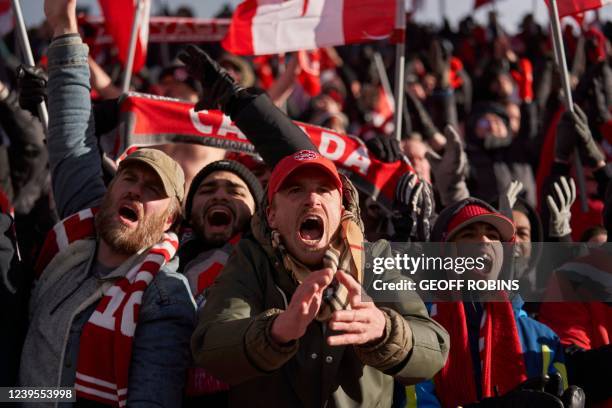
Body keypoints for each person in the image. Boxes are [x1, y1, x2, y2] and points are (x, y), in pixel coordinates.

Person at [180, 45, 450, 407]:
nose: (312, 200)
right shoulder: (252, 259)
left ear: (342, 209)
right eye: (295, 190)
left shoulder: (374, 259)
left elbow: (434, 349)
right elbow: (212, 346)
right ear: (271, 214)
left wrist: (386, 331)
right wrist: (275, 332)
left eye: (325, 190)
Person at [18, 1, 195, 406]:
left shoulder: (165, 294)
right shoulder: (81, 233)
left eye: (153, 190)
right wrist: (64, 27)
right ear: (109, 190)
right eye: (129, 178)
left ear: (170, 220)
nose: (135, 190)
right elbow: (71, 137)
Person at [398, 198, 578, 407]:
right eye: (468, 234)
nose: (484, 240)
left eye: (493, 236)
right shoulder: (416, 330)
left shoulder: (543, 338)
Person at [179, 159, 263, 406]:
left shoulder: (269, 257)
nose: (220, 197)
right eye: (207, 190)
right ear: (189, 210)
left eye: (235, 191)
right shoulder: (161, 258)